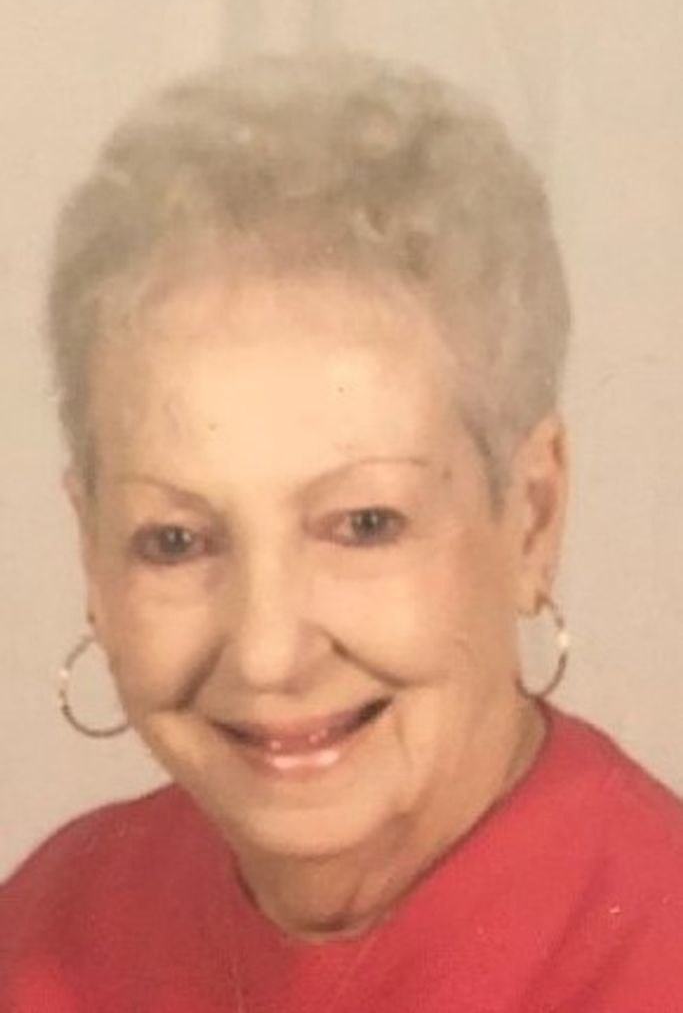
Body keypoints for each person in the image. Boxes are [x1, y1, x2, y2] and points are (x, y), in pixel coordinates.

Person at [1, 53, 682, 1013]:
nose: (267, 653)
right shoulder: (46, 932)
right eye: (176, 541)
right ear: (92, 554)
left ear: (531, 515)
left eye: (363, 525)